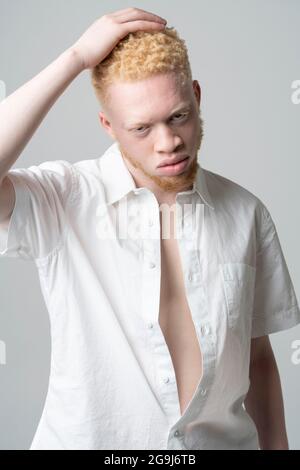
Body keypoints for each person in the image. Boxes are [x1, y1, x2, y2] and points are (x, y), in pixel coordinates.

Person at [0, 7, 299, 451]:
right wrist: (77, 57)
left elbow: (257, 358)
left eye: (178, 116)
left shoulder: (246, 212)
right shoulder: (64, 199)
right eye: (141, 128)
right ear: (108, 126)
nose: (168, 143)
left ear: (197, 96)